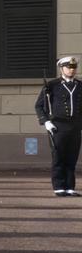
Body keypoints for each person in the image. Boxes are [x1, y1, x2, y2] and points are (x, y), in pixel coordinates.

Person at [35, 56, 80, 197]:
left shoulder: (80, 85)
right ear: (61, 68)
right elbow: (39, 106)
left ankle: (69, 186)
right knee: (59, 157)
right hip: (58, 126)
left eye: (73, 68)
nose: (71, 70)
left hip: (76, 127)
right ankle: (59, 186)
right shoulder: (52, 85)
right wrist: (46, 121)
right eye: (68, 67)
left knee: (72, 157)